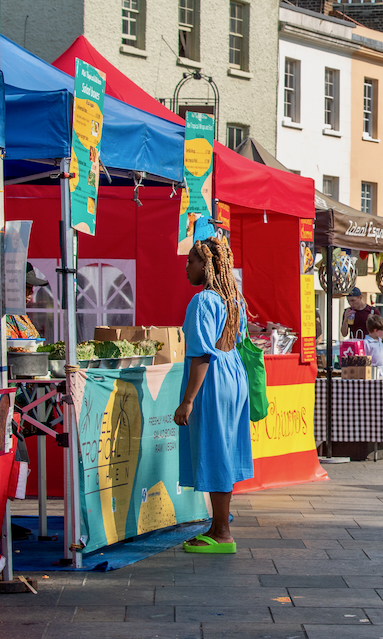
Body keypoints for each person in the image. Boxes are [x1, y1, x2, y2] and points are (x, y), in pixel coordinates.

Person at [173, 235, 254, 554]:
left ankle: (222, 532)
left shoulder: (204, 300)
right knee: (224, 449)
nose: (186, 267)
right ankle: (217, 526)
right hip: (233, 374)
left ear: (206, 265)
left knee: (215, 451)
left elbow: (201, 354)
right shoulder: (233, 299)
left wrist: (187, 400)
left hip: (214, 380)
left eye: (191, 261)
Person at [0, 263, 50, 351]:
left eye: (32, 287)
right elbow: (6, 348)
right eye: (27, 287)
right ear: (11, 287)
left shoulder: (18, 313)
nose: (31, 292)